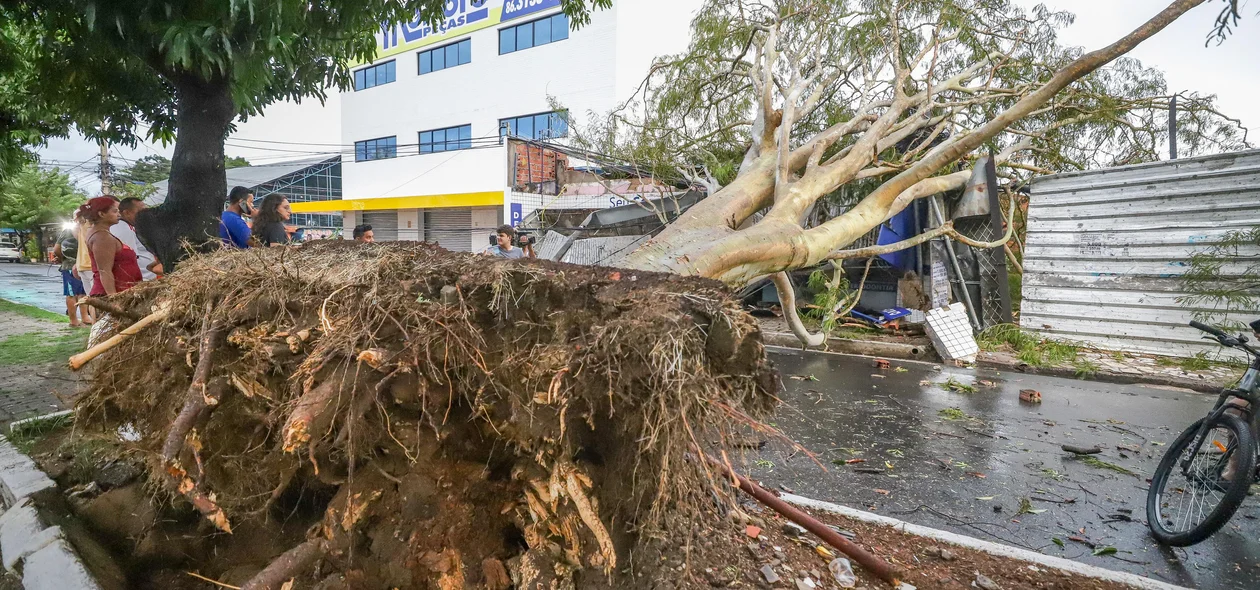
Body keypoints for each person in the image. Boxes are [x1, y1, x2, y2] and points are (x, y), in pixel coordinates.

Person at [82, 196, 143, 296]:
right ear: (101, 214)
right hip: (112, 294)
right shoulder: (102, 237)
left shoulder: (102, 234)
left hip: (123, 291)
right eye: (114, 211)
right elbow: (105, 271)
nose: (119, 214)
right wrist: (113, 298)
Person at [111, 197, 163, 280]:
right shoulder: (122, 229)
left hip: (148, 277)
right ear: (127, 213)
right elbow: (128, 259)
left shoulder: (133, 227)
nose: (145, 214)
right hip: (140, 280)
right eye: (141, 211)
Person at [53, 219, 92, 326]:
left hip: (83, 265)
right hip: (71, 265)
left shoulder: (86, 228)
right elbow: (57, 249)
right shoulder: (69, 231)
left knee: (82, 293)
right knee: (72, 293)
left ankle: (85, 317)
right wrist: (63, 259)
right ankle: (73, 320)